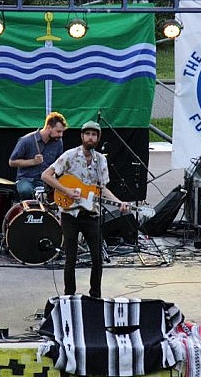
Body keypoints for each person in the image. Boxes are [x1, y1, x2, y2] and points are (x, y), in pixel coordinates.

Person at [42, 120, 129, 298]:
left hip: (92, 214)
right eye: (87, 134)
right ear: (82, 136)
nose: (90, 138)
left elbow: (103, 188)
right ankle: (69, 296)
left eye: (94, 135)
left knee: (97, 258)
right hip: (70, 213)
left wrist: (119, 202)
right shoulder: (69, 155)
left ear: (98, 138)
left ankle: (95, 296)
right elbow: (46, 175)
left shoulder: (101, 160)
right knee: (71, 258)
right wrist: (66, 190)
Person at [8, 111, 66, 200]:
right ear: (49, 127)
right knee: (26, 191)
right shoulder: (26, 140)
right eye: (58, 131)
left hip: (47, 181)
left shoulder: (58, 142)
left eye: (62, 132)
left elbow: (59, 163)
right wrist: (33, 162)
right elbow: (12, 162)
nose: (60, 135)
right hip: (26, 179)